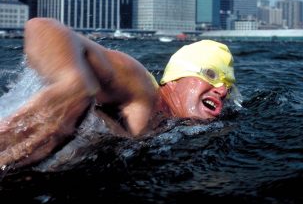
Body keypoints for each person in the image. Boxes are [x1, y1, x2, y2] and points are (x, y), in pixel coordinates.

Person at [0, 17, 238, 170]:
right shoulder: (143, 92)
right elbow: (43, 27)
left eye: (228, 85)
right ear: (175, 79)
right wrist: (73, 84)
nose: (222, 89)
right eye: (211, 75)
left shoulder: (171, 127)